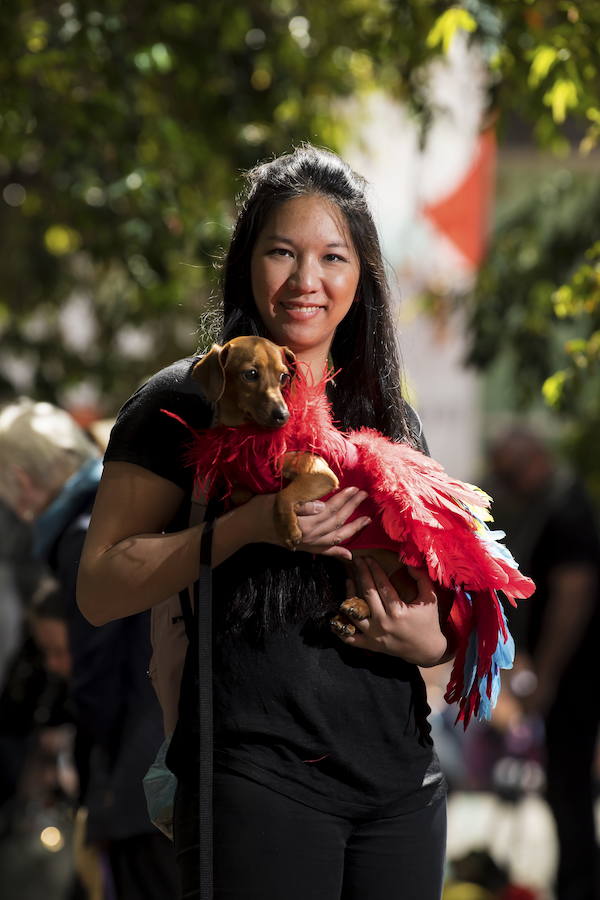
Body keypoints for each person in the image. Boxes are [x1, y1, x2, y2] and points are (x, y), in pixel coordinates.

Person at [78, 144, 452, 900]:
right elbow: (98, 587)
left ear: (362, 276)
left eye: (333, 257)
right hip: (255, 775)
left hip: (402, 784)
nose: (306, 281)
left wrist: (427, 636)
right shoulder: (180, 402)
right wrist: (246, 526)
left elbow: (442, 610)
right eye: (282, 251)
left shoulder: (389, 417)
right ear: (248, 260)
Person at [0, 398, 179, 900]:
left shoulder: (82, 537)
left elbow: (96, 678)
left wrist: (93, 771)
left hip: (140, 780)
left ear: (22, 482)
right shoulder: (119, 507)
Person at [486, 427, 600, 900]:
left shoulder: (567, 506)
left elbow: (573, 595)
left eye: (509, 474)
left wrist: (548, 676)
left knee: (568, 786)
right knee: (564, 784)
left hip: (579, 673)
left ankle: (580, 885)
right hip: (572, 671)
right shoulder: (555, 505)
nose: (507, 485)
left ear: (532, 459)